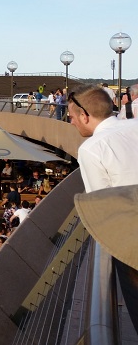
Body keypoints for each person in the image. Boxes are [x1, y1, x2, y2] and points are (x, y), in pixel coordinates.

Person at [69, 84, 138, 331]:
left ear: (85, 116)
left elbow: (102, 205)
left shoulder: (91, 149)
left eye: (73, 117)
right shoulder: (135, 125)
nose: (72, 123)